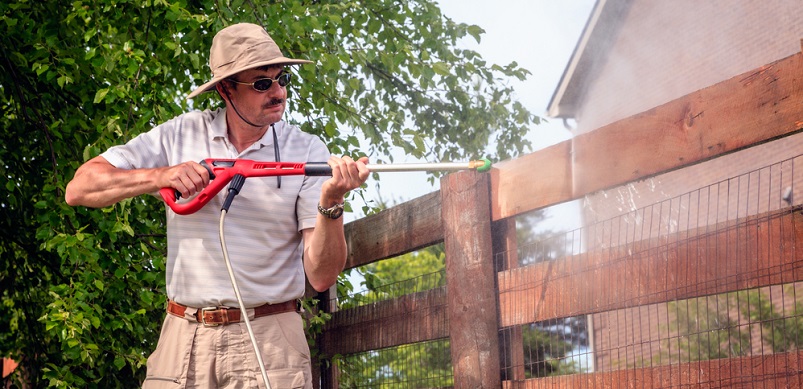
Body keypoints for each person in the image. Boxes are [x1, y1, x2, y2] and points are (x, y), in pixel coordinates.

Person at [65, 22, 369, 388]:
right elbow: (80, 188)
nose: (278, 92)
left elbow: (321, 275)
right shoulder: (180, 134)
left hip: (270, 340)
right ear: (226, 89)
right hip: (182, 339)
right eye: (261, 83)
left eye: (282, 79)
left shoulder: (306, 151)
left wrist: (331, 203)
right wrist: (160, 176)